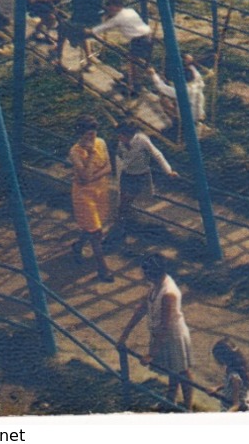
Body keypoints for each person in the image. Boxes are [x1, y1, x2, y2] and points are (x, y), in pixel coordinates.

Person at [119, 254, 195, 408]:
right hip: (161, 334)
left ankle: (188, 407)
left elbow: (165, 326)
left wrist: (151, 354)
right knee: (173, 369)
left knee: (182, 371)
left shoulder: (168, 293)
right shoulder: (155, 285)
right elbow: (142, 308)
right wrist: (125, 334)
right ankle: (170, 399)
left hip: (174, 336)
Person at [108, 121, 175, 247]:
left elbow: (157, 154)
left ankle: (121, 227)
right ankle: (121, 227)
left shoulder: (142, 140)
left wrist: (168, 171)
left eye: (121, 135)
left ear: (128, 135)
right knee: (123, 202)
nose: (119, 138)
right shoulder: (121, 143)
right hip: (126, 174)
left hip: (139, 176)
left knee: (126, 202)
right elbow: (120, 156)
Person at [68, 116, 114, 282]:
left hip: (100, 191)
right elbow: (84, 177)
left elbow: (109, 167)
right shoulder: (75, 152)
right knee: (96, 232)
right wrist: (92, 154)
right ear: (81, 135)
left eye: (93, 134)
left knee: (93, 226)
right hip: (84, 195)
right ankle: (103, 269)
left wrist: (92, 177)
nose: (91, 138)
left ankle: (78, 245)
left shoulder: (101, 142)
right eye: (87, 135)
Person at [90, 0, 154, 97]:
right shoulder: (130, 11)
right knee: (138, 61)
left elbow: (103, 27)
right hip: (147, 35)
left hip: (139, 39)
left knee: (133, 63)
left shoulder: (118, 18)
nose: (109, 10)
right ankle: (134, 79)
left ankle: (134, 86)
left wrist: (89, 31)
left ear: (116, 7)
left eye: (110, 8)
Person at [53, 0, 105, 69]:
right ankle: (89, 59)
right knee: (81, 33)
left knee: (62, 28)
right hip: (94, 21)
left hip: (79, 20)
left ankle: (58, 58)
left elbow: (75, 2)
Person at [213, 338, 249, 411]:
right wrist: (217, 388)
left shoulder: (234, 377)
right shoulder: (237, 369)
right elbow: (230, 384)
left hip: (242, 409)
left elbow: (236, 405)